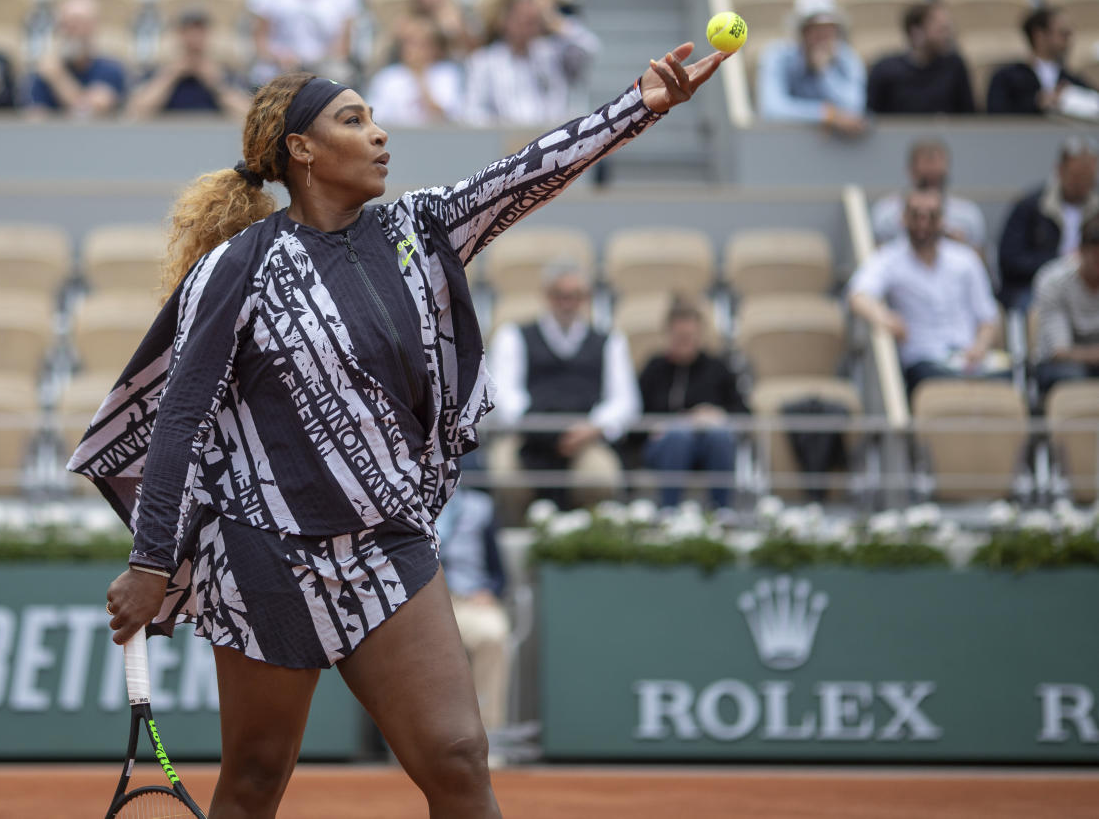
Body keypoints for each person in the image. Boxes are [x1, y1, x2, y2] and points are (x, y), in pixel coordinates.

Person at [70, 42, 725, 818]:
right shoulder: (235, 266)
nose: (380, 134)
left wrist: (639, 105)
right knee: (252, 780)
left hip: (389, 547)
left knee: (457, 758)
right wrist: (152, 561)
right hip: (266, 556)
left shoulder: (419, 228)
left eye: (377, 119)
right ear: (302, 150)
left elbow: (527, 174)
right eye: (355, 120)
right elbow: (180, 414)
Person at [488, 258, 641, 510]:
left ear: (586, 298)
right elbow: (503, 395)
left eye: (575, 296)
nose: (567, 303)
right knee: (506, 477)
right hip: (525, 435)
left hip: (587, 437)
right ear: (547, 296)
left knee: (601, 477)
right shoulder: (513, 336)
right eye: (560, 295)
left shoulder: (610, 341)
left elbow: (625, 401)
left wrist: (591, 427)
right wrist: (543, 427)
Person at [848, 187, 1002, 396]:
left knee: (1004, 383)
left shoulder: (965, 259)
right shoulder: (889, 258)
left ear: (942, 219)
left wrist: (980, 347)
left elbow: (988, 317)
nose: (923, 223)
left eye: (931, 216)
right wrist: (884, 317)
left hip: (969, 358)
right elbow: (858, 294)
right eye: (916, 215)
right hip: (923, 362)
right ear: (903, 218)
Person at [635, 299, 746, 509]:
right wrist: (661, 425)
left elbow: (743, 412)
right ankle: (669, 511)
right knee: (678, 436)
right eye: (679, 337)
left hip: (708, 444)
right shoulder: (654, 368)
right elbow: (634, 417)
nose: (685, 342)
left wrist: (718, 414)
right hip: (664, 446)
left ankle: (722, 511)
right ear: (667, 334)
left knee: (720, 435)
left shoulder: (717, 368)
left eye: (690, 337)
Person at [435, 479, 511, 739]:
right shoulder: (405, 503)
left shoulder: (481, 507)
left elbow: (499, 571)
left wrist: (490, 591)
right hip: (423, 601)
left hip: (469, 600)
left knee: (492, 635)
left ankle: (487, 736)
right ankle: (421, 741)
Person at [462, 0, 600, 126]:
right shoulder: (484, 62)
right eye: (521, 20)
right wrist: (502, 128)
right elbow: (474, 112)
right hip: (504, 143)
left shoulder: (551, 54)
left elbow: (589, 47)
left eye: (532, 21)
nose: (527, 27)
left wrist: (553, 19)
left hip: (549, 139)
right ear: (504, 21)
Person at [998, 137, 1099, 311]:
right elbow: (1010, 261)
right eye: (1076, 176)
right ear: (1060, 170)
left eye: (1088, 177)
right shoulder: (1031, 206)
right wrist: (1061, 263)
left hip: (1090, 286)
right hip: (1035, 287)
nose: (1082, 183)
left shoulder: (1096, 208)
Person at [757, 0, 867, 137]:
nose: (823, 36)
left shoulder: (848, 58)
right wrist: (827, 115)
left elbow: (855, 109)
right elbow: (771, 109)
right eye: (814, 29)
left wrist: (825, 71)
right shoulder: (776, 56)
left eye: (829, 29)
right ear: (801, 32)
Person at [125, 8, 251, 120]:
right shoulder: (158, 71)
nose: (194, 38)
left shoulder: (226, 73)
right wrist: (170, 76)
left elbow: (247, 114)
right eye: (187, 31)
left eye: (200, 31)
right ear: (178, 35)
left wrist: (217, 85)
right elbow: (136, 111)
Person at [870, 138, 986, 253]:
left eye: (937, 174)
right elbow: (876, 255)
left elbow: (980, 261)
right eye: (927, 174)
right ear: (911, 170)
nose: (933, 169)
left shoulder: (968, 213)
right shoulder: (886, 212)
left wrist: (961, 247)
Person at [865, 2, 974, 116]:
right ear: (916, 32)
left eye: (948, 29)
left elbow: (969, 116)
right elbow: (871, 117)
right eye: (941, 30)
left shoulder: (954, 67)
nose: (947, 36)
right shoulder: (885, 70)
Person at [26, 0, 126, 118]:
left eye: (78, 23)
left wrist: (58, 77)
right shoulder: (43, 72)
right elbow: (35, 116)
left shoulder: (110, 69)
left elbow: (90, 110)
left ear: (94, 27)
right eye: (65, 24)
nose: (71, 30)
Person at [987, 7, 1098, 118]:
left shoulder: (1071, 80)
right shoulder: (1006, 78)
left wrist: (1072, 99)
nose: (1069, 40)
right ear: (1039, 35)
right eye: (1063, 34)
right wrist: (1037, 102)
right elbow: (995, 115)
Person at [1031, 215, 1099, 395]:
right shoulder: (1053, 281)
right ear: (1081, 251)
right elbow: (1059, 352)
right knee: (1073, 377)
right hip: (1058, 366)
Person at [366, 16, 464, 125]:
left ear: (436, 48)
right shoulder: (387, 77)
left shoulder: (446, 74)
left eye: (423, 44)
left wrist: (420, 77)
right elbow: (375, 120)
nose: (415, 50)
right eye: (410, 43)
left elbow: (448, 117)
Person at [247, 0, 359, 87]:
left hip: (324, 67)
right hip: (278, 67)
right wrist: (278, 56)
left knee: (337, 80)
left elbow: (343, 45)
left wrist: (319, 62)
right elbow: (260, 39)